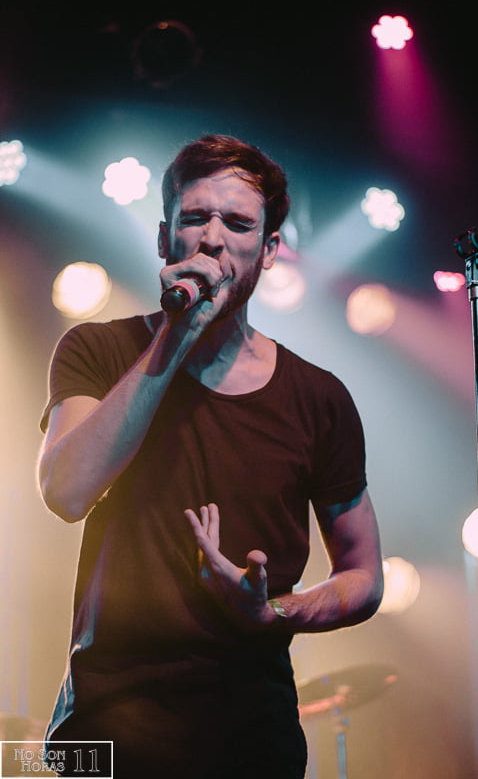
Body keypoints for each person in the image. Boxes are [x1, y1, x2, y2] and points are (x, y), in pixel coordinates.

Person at [38, 134, 383, 779]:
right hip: (107, 727)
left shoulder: (318, 398)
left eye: (238, 223)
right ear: (164, 238)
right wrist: (177, 336)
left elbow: (364, 575)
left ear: (270, 250)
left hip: (252, 738)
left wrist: (274, 611)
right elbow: (66, 491)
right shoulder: (98, 351)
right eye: (195, 217)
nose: (213, 239)